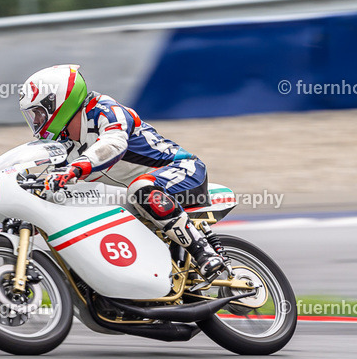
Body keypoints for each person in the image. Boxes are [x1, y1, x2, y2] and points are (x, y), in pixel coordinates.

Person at [18, 64, 228, 280]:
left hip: (184, 170)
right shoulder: (66, 144)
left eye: (38, 112)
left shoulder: (105, 110)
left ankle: (203, 252)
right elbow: (60, 187)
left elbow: (113, 144)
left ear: (59, 102)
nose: (35, 121)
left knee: (141, 188)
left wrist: (74, 169)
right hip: (138, 196)